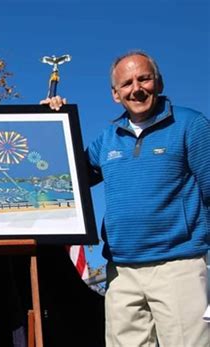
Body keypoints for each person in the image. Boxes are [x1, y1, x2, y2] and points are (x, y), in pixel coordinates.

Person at [42, 51, 210, 346]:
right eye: (127, 83)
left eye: (143, 78)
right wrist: (54, 126)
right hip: (120, 271)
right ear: (115, 94)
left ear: (158, 82)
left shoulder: (191, 125)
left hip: (179, 265)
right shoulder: (108, 138)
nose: (137, 88)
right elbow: (69, 178)